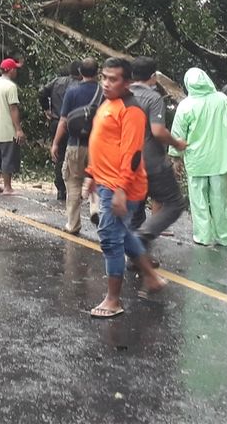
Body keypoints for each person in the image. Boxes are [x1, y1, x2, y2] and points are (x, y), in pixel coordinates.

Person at [83, 57, 166, 318]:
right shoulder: (107, 102)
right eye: (104, 78)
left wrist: (120, 190)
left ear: (127, 82)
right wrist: (91, 174)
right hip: (106, 181)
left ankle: (113, 300)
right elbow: (102, 143)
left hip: (123, 186)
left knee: (109, 237)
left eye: (113, 79)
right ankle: (151, 277)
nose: (106, 83)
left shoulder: (132, 110)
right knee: (122, 235)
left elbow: (131, 154)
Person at [172, 68, 227, 247]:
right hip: (220, 159)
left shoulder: (186, 105)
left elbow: (178, 133)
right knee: (220, 199)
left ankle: (203, 236)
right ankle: (224, 237)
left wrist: (176, 157)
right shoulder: (222, 100)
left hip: (196, 160)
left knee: (199, 200)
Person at [130, 57, 188, 257]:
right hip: (152, 162)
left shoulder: (122, 97)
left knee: (136, 209)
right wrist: (177, 143)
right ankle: (144, 234)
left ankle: (136, 257)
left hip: (128, 162)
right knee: (174, 203)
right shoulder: (153, 98)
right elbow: (158, 131)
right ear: (153, 77)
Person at [51, 58, 101, 233]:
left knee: (73, 182)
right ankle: (95, 208)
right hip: (99, 147)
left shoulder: (72, 92)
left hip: (75, 144)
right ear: (98, 72)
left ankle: (73, 224)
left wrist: (56, 143)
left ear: (80, 72)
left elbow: (63, 121)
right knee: (97, 179)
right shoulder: (104, 93)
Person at [39, 63, 77, 202]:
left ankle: (61, 189)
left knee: (59, 155)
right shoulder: (78, 84)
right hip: (74, 122)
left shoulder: (55, 82)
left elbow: (42, 93)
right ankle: (73, 188)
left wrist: (46, 109)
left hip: (56, 122)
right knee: (74, 154)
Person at [0, 57, 26, 195]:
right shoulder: (10, 86)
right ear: (10, 70)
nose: (16, 71)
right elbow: (13, 108)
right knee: (8, 157)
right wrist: (18, 129)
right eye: (15, 68)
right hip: (7, 128)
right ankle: (7, 187)